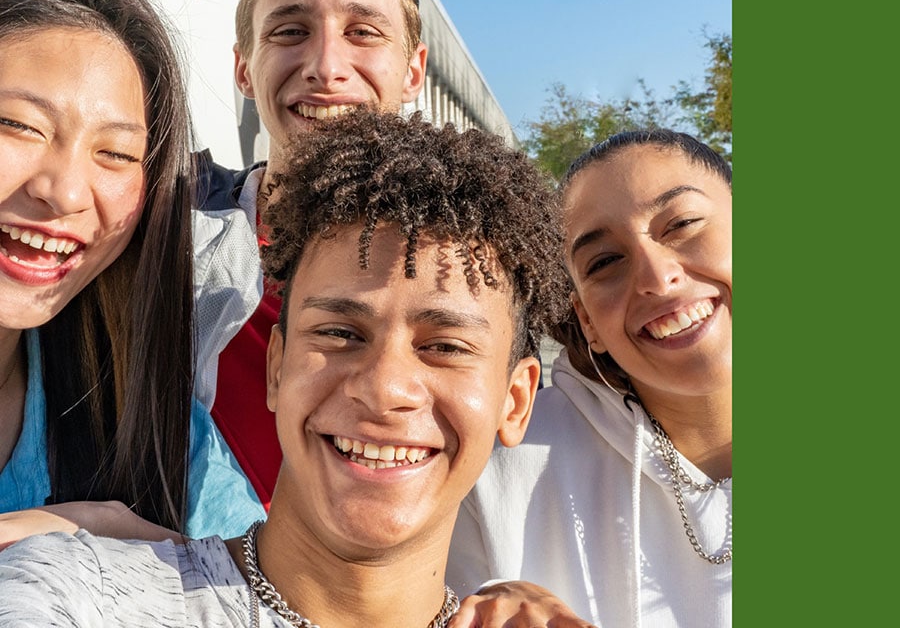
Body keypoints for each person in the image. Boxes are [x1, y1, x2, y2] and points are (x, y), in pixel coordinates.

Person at [0, 108, 589, 627]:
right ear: (276, 368)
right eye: (340, 333)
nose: (384, 389)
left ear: (515, 402)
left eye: (445, 347)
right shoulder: (79, 596)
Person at [0, 0, 260, 542]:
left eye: (116, 154)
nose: (65, 191)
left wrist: (127, 538)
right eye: (17, 124)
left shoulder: (144, 421)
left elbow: (260, 591)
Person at [449, 129, 733, 628]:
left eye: (683, 223)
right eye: (604, 262)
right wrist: (485, 603)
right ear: (586, 322)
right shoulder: (495, 472)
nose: (655, 275)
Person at [193, 0, 428, 508]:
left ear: (414, 71)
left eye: (364, 31)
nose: (326, 66)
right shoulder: (157, 231)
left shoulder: (471, 269)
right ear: (244, 67)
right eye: (291, 30)